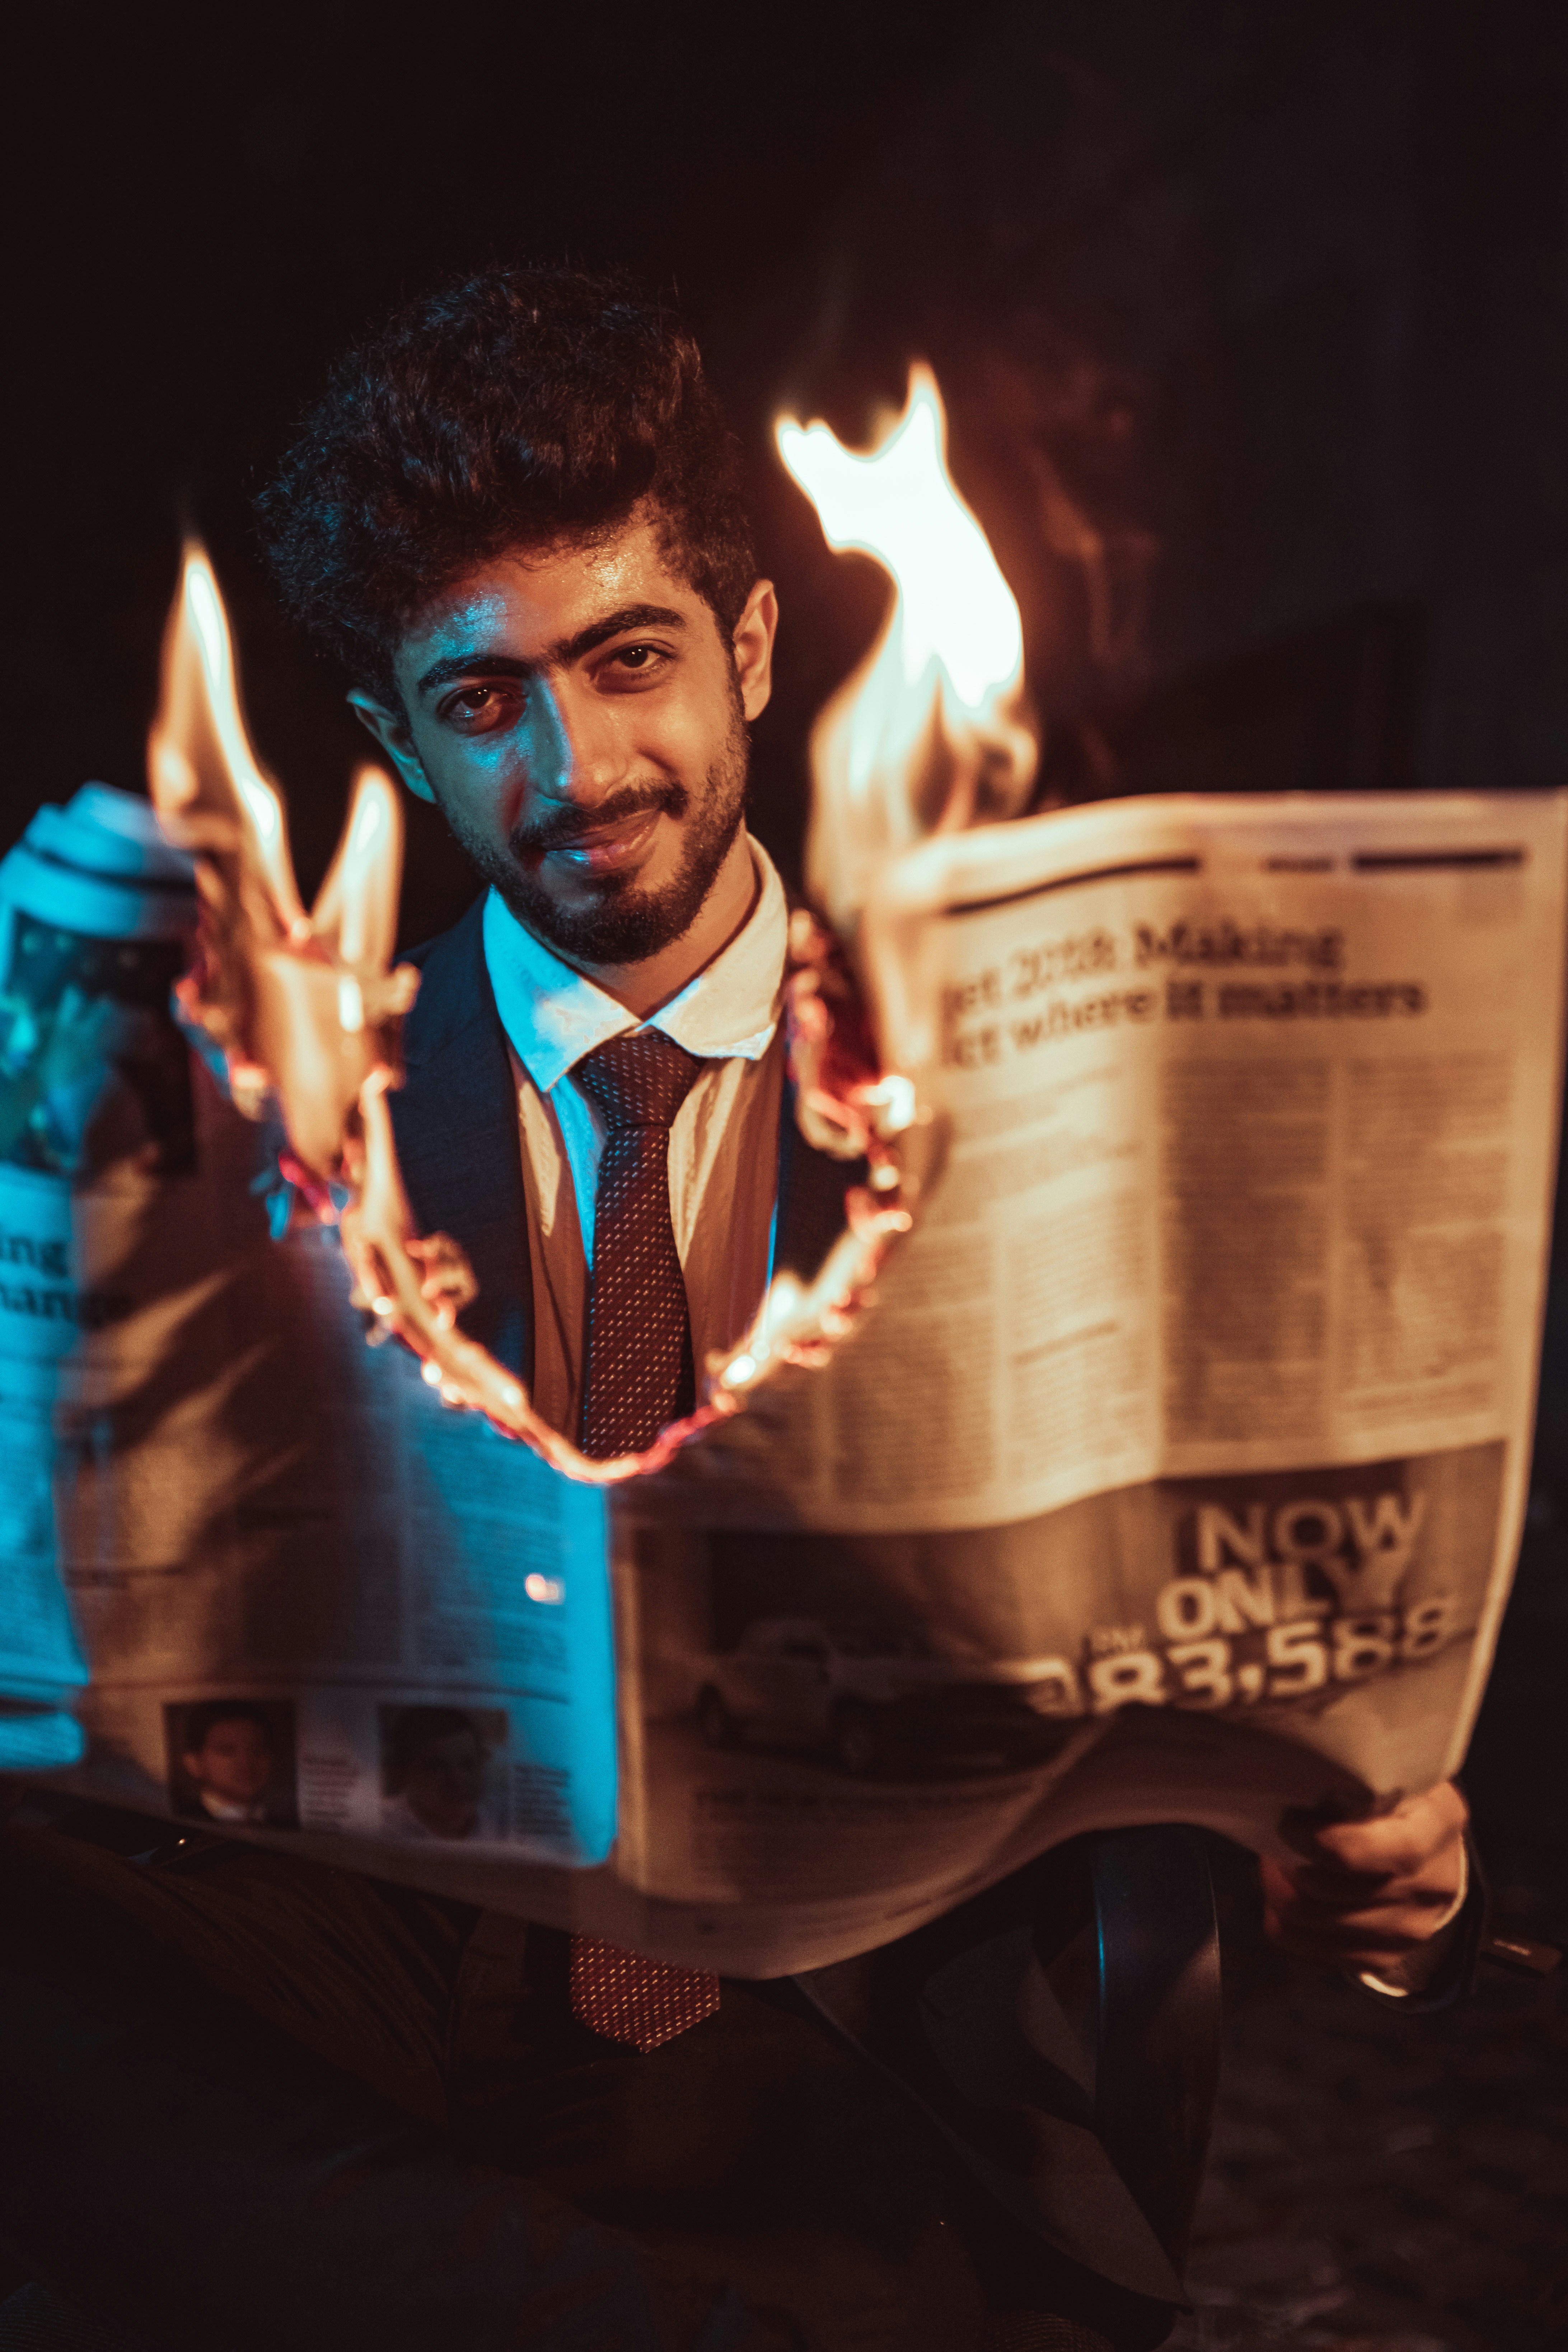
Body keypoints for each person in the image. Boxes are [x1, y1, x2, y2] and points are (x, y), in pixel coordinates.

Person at [0, 268, 1476, 2352]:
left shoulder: (1026, 1085)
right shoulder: (281, 1121)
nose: (578, 765)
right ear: (395, 744)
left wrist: (1388, 1875)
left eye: (627, 663)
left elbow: (1287, 1693)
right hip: (394, 2108)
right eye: (483, 698)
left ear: (752, 648)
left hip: (876, 2119)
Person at [382, 1708, 491, 1841]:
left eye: (469, 1764)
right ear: (403, 1774)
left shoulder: (494, 1825)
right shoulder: (382, 1829)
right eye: (437, 1768)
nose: (458, 1780)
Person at [173, 1701, 284, 1827]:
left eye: (258, 1750)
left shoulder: (282, 1820)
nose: (246, 1763)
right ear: (195, 1763)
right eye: (227, 1751)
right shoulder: (180, 1820)